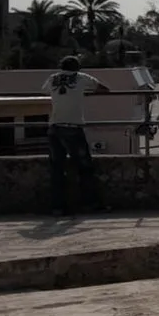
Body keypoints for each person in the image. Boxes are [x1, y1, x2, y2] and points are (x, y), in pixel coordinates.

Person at [45, 54, 112, 215]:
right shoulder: (82, 77)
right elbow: (105, 89)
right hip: (73, 127)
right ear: (77, 67)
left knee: (57, 169)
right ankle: (90, 203)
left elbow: (49, 92)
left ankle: (57, 207)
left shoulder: (52, 78)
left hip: (54, 128)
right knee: (85, 167)